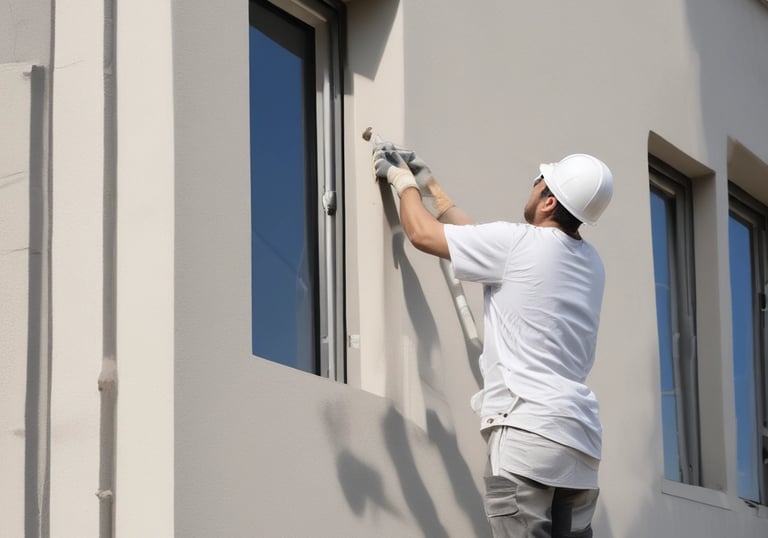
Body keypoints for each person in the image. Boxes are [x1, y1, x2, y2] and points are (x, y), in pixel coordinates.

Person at [373, 144, 614, 538]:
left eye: (538, 182)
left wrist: (403, 184)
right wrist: (437, 194)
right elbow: (480, 244)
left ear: (549, 201)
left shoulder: (517, 244)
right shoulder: (591, 264)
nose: (532, 187)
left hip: (526, 434)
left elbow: (422, 234)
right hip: (580, 444)